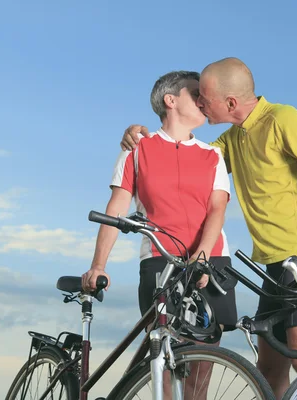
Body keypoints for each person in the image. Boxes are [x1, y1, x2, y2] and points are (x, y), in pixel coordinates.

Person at [119, 57, 297, 399]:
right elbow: (182, 156)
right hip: (274, 266)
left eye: (204, 98)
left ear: (229, 103)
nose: (200, 103)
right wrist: (140, 134)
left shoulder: (283, 119)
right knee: (270, 367)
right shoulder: (231, 140)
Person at [82, 70, 238, 399]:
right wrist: (98, 265)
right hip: (159, 260)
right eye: (195, 93)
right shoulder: (136, 149)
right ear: (170, 100)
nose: (203, 100)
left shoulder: (214, 155)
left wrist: (204, 252)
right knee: (165, 359)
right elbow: (116, 208)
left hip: (211, 260)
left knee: (202, 363)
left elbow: (217, 209)